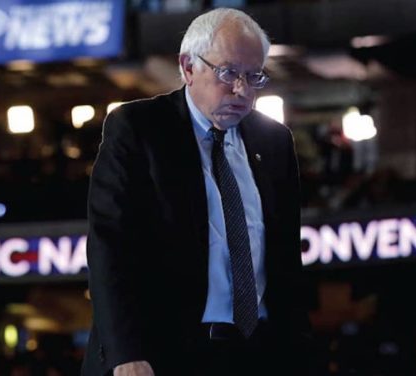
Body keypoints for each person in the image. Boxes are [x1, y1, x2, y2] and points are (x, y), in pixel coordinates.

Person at [82, 7, 317, 376]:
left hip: (260, 353)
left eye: (254, 76)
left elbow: (285, 261)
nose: (242, 89)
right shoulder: (138, 129)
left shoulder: (275, 142)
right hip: (162, 354)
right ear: (189, 67)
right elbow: (110, 247)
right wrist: (125, 352)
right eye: (228, 73)